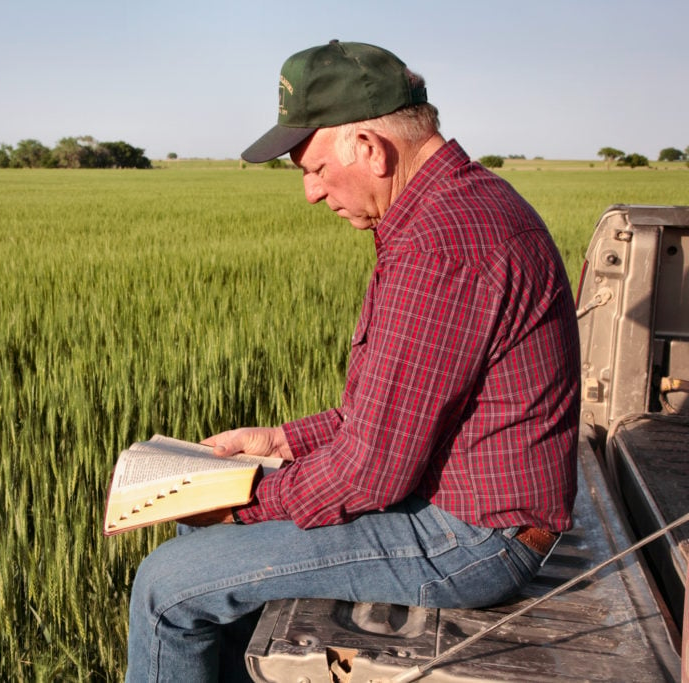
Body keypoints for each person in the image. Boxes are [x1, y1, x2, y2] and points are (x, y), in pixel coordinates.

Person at [125, 40, 580, 683]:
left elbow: (372, 471)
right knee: (195, 543)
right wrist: (278, 441)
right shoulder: (449, 212)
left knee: (165, 588)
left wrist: (244, 498)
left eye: (311, 168)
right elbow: (387, 416)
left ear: (368, 147)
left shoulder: (441, 247)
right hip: (453, 504)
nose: (311, 193)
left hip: (473, 538)